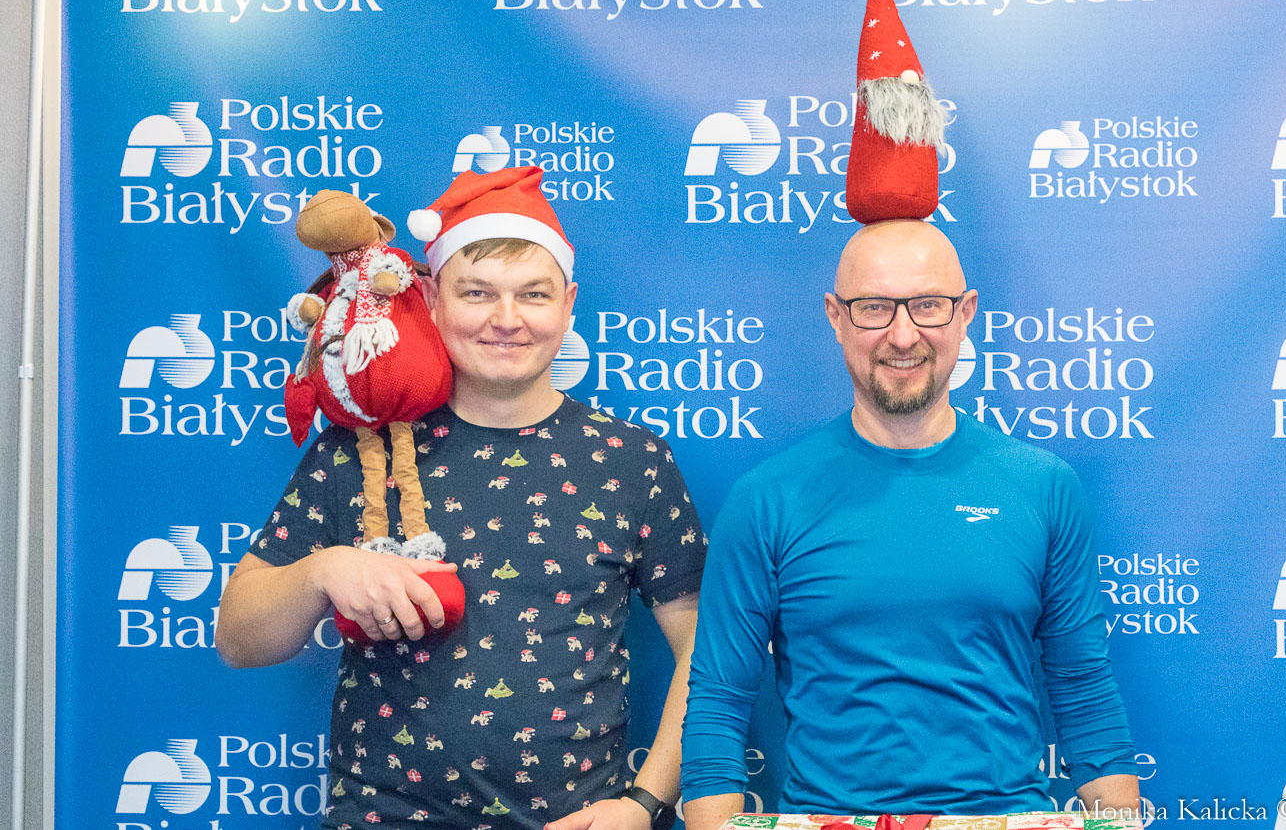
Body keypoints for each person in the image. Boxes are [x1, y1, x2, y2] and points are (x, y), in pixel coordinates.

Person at [217, 166, 705, 830]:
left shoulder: (630, 459)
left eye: (533, 295)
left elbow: (705, 654)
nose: (506, 320)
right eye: (477, 293)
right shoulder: (360, 449)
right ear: (430, 296)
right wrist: (323, 570)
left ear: (568, 304)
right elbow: (239, 639)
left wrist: (644, 804)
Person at [678, 220, 1140, 827]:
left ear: (965, 313)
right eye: (874, 308)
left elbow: (1083, 687)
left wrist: (1120, 820)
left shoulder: (1043, 486)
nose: (902, 336)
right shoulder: (767, 499)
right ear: (836, 316)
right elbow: (718, 702)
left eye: (928, 306)